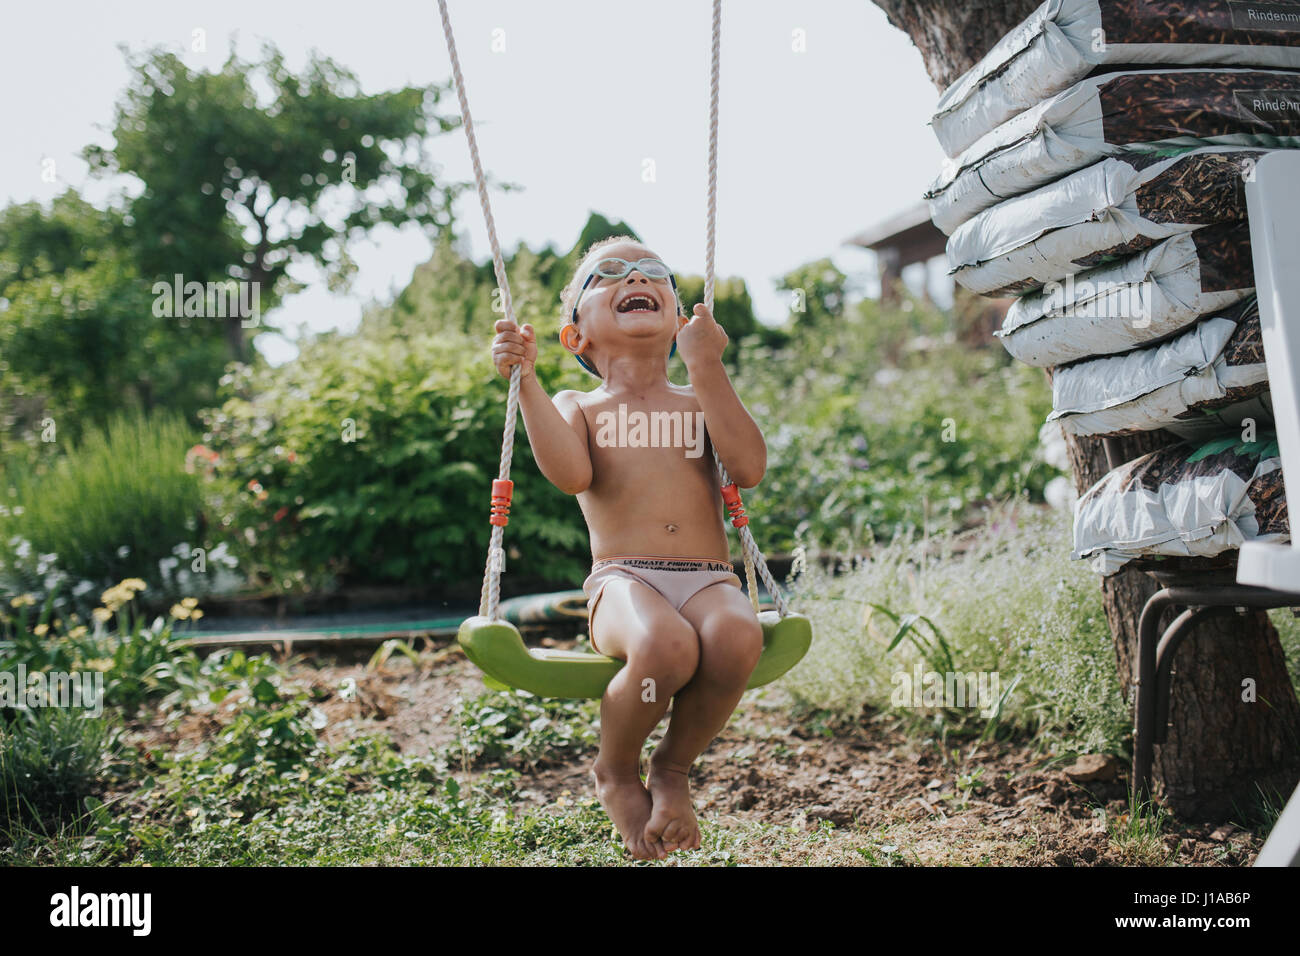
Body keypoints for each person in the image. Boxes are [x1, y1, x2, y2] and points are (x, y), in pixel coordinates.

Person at [490, 236, 767, 860]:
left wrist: (707, 367)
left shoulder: (700, 399)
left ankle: (671, 769)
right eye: (607, 275)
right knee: (663, 645)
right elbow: (570, 475)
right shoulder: (578, 406)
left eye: (653, 273)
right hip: (624, 581)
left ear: (677, 320)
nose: (635, 276)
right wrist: (525, 380)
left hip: (709, 577)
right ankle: (615, 770)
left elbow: (747, 467)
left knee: (736, 636)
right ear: (575, 335)